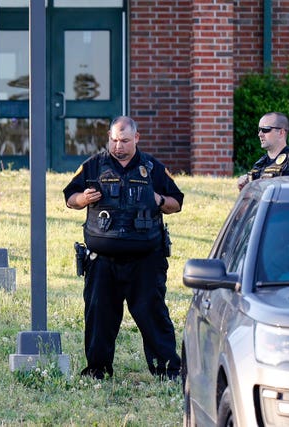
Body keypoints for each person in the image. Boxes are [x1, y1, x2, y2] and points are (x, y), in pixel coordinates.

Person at [63, 116, 183, 380]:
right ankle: (97, 370)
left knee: (153, 316)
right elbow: (69, 197)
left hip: (145, 259)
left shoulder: (153, 168)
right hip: (102, 260)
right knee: (99, 318)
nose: (118, 146)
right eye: (114, 140)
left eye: (125, 141)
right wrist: (82, 199)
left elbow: (177, 202)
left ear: (136, 139)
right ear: (109, 137)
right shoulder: (93, 165)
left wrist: (159, 199)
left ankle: (167, 371)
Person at [237, 112, 289, 190]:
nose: (260, 134)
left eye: (265, 129)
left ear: (281, 132)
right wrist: (244, 186)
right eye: (259, 130)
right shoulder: (260, 163)